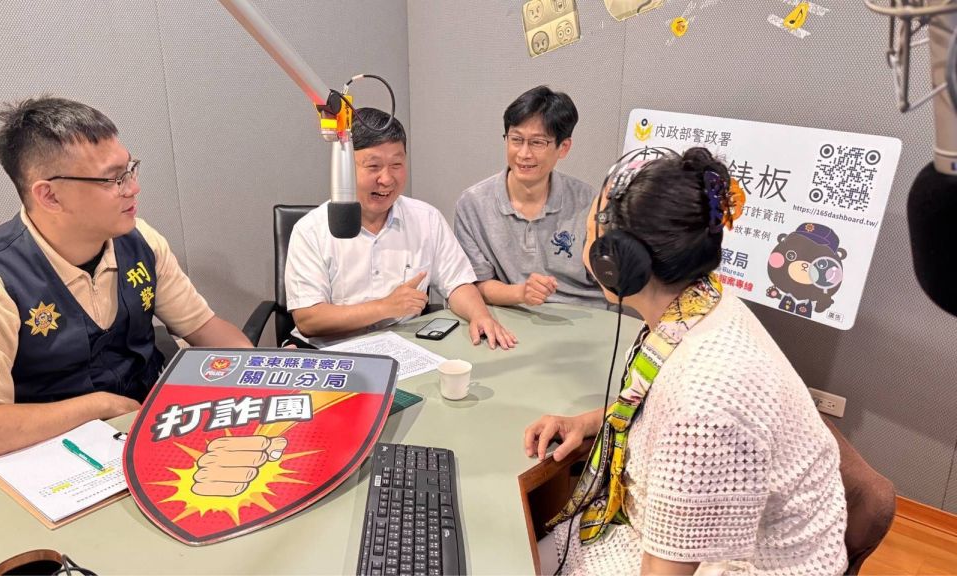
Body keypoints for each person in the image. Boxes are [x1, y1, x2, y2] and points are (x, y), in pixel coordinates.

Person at [524, 148, 847, 575]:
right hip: (673, 531)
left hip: (742, 564)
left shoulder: (702, 404)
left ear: (616, 264)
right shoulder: (698, 302)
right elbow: (655, 408)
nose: (587, 251)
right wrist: (587, 423)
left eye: (592, 238)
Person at [0, 97, 253, 468]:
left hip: (146, 431)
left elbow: (205, 328)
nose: (132, 188)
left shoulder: (141, 241)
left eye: (129, 170)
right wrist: (98, 406)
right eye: (112, 179)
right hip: (49, 459)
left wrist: (264, 373)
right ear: (50, 196)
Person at [285, 107, 516, 350]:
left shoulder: (426, 219)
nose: (386, 179)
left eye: (396, 164)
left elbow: (458, 283)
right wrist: (385, 307)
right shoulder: (311, 230)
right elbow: (308, 320)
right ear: (344, 167)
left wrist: (480, 316)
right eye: (373, 166)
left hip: (404, 347)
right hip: (331, 352)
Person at [454, 85, 606, 309]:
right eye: (516, 140)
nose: (524, 154)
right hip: (515, 315)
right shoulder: (473, 205)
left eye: (537, 142)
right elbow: (474, 284)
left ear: (563, 147)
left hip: (586, 313)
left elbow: (610, 280)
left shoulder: (588, 201)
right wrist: (520, 293)